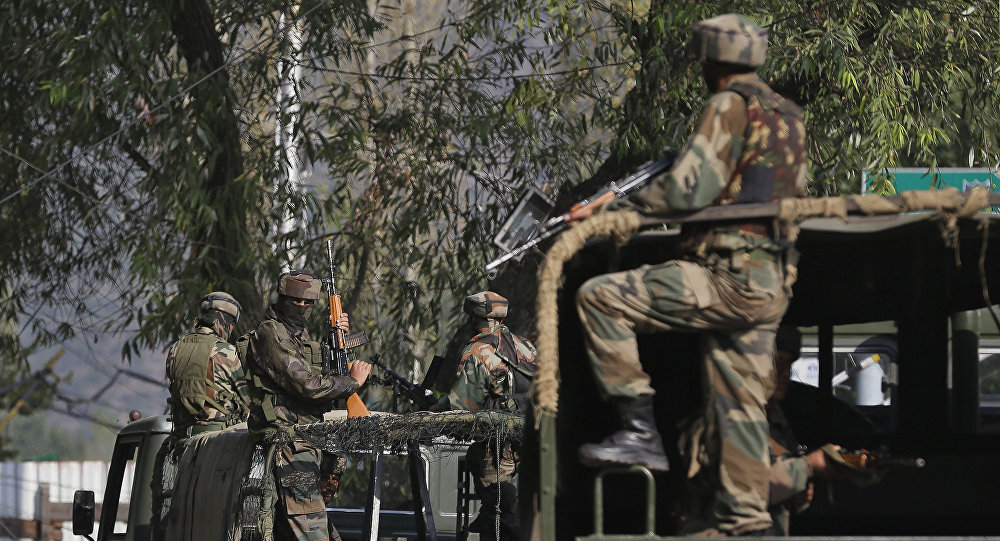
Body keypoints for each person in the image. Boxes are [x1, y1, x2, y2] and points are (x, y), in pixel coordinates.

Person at [568, 13, 808, 536]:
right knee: (741, 405)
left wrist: (619, 209)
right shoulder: (788, 115)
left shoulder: (728, 105)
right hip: (771, 284)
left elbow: (685, 193)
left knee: (600, 298)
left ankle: (637, 430)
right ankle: (748, 521)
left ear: (710, 62)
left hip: (728, 275)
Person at [244, 270, 372, 541]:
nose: (301, 307)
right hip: (289, 442)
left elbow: (316, 371)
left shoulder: (296, 338)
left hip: (305, 439)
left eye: (307, 303)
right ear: (282, 299)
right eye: (295, 301)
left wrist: (336, 340)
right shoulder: (272, 333)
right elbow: (308, 385)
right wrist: (352, 382)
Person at [448, 291, 538, 541]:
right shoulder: (526, 346)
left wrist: (435, 408)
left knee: (500, 516)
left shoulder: (477, 350)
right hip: (531, 440)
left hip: (498, 446)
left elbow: (462, 406)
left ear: (471, 318)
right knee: (514, 509)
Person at [767, 326, 840, 536]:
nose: (783, 370)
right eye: (775, 360)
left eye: (788, 363)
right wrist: (807, 467)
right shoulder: (728, 418)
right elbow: (741, 489)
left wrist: (796, 493)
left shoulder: (776, 418)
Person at [165, 291, 250, 444]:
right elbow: (249, 398)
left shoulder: (176, 349)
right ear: (227, 326)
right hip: (217, 441)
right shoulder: (228, 352)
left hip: (181, 440)